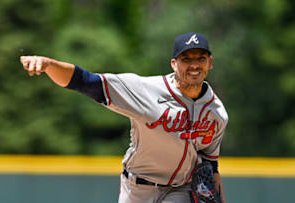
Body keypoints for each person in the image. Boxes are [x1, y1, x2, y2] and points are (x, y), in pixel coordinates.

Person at [20, 32, 228, 203]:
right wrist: (49, 64)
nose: (194, 65)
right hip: (137, 189)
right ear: (174, 64)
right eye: (186, 58)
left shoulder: (217, 112)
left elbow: (210, 163)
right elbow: (87, 82)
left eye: (200, 58)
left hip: (179, 191)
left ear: (210, 63)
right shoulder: (146, 90)